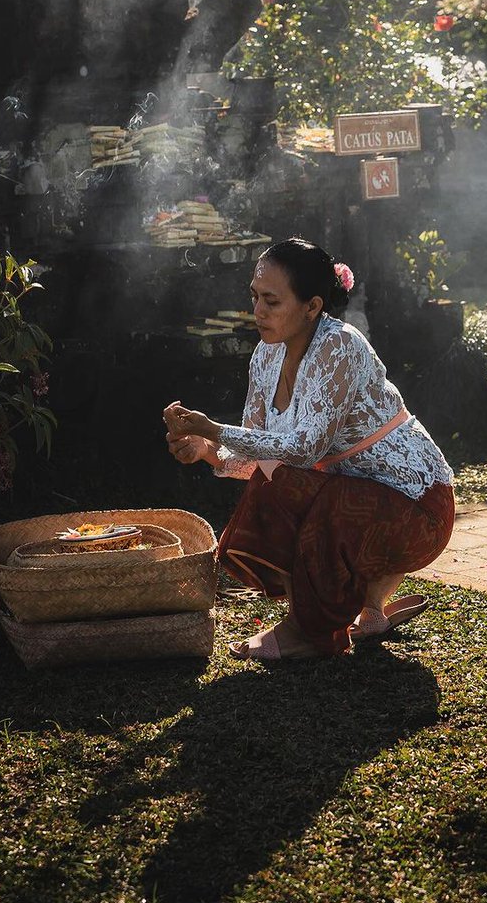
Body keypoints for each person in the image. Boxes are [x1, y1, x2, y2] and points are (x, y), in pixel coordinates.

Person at [163, 237, 455, 661]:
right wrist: (206, 446)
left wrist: (216, 429)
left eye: (272, 301)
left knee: (286, 485)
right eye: (254, 297)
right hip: (357, 503)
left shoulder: (340, 345)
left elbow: (302, 449)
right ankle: (367, 613)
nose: (258, 311)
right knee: (277, 480)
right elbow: (258, 455)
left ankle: (309, 631)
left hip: (419, 508)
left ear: (312, 306)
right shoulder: (264, 357)